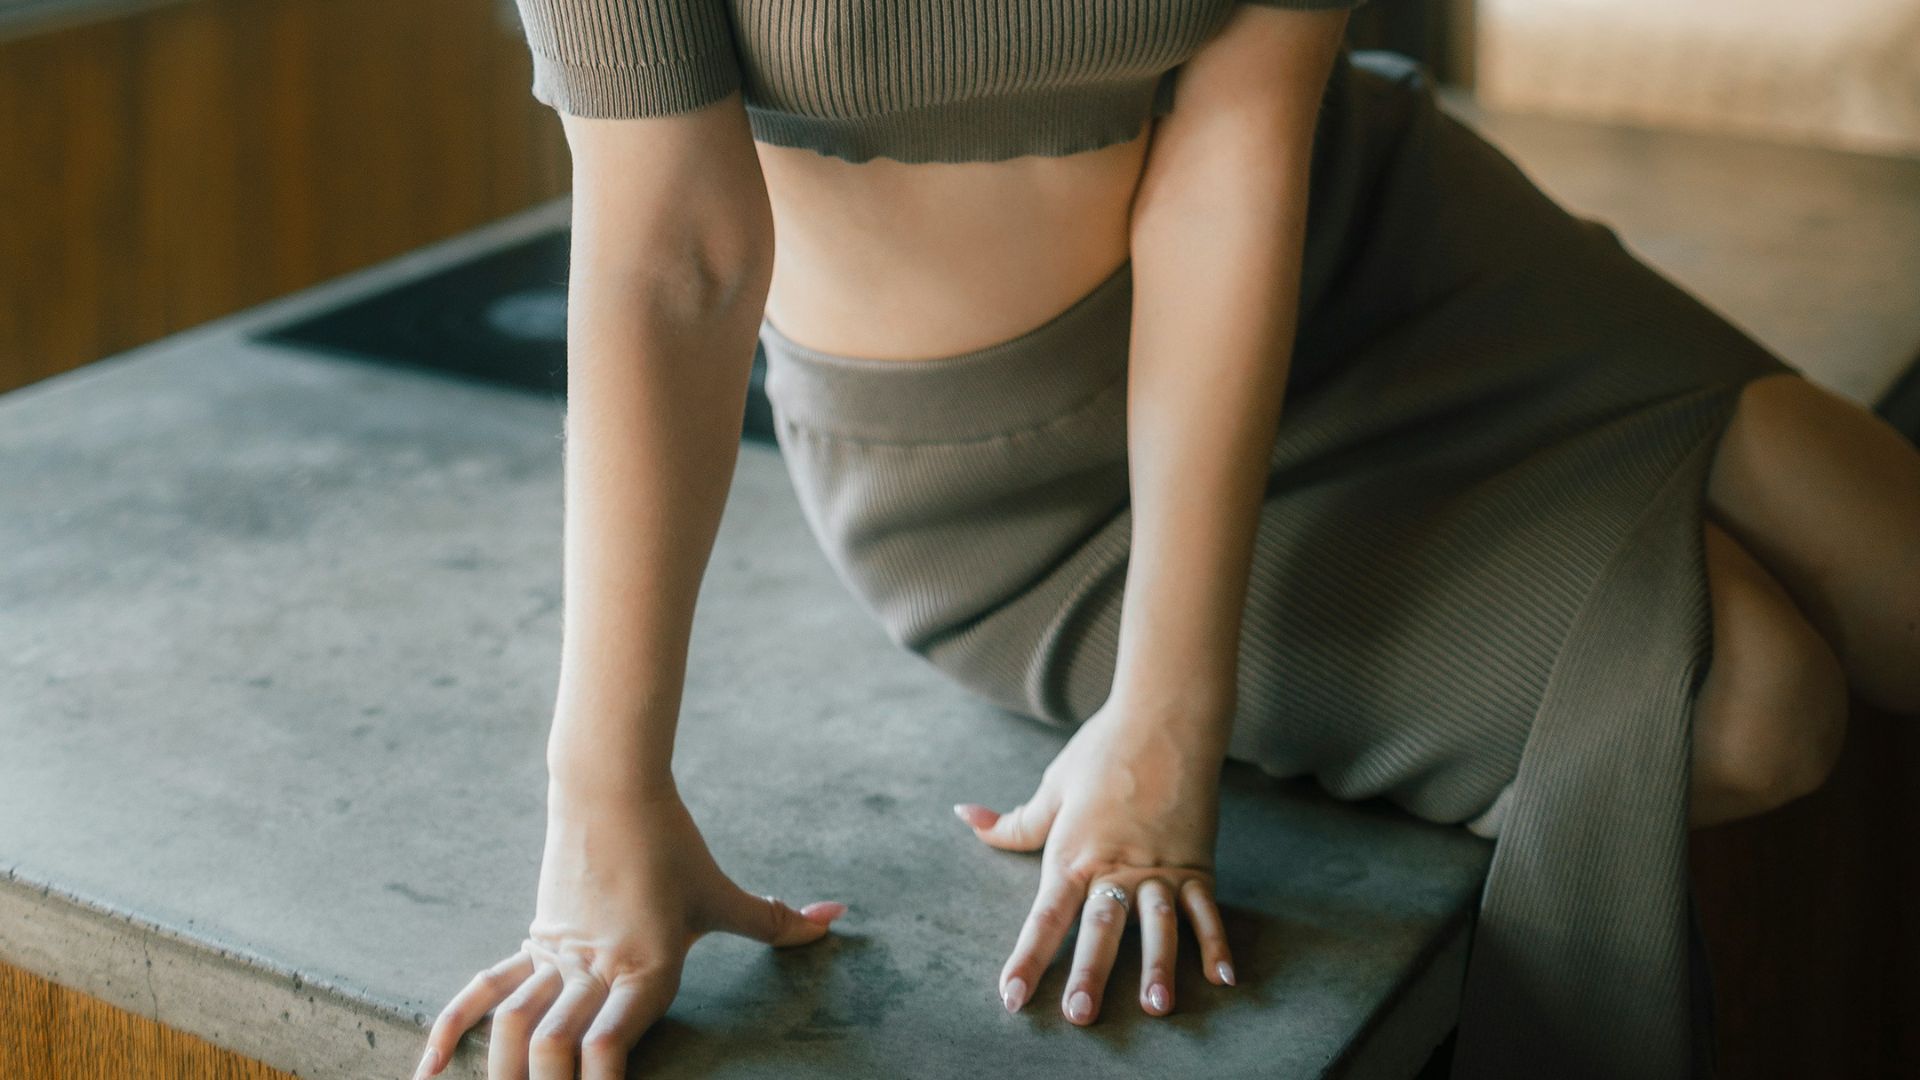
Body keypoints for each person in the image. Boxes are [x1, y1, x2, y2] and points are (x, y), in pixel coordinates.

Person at [412, 2, 1920, 1077]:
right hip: (1023, 489)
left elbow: (1238, 150)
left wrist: (1167, 715)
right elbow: (676, 253)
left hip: (1364, 250)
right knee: (1756, 702)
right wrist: (601, 793)